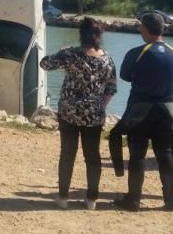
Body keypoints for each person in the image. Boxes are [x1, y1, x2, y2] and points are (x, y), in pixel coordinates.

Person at [40, 18, 117, 211]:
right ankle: (91, 199)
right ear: (99, 37)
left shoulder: (70, 54)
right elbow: (111, 88)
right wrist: (99, 105)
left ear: (81, 35)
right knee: (93, 156)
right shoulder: (107, 59)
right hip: (94, 114)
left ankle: (63, 197)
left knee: (67, 154)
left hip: (69, 112)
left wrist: (62, 50)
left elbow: (44, 64)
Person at [112, 12, 173, 212]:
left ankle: (133, 200)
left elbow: (125, 76)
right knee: (165, 154)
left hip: (141, 109)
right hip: (166, 110)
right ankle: (171, 200)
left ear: (145, 28)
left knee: (138, 155)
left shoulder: (138, 52)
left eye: (141, 27)